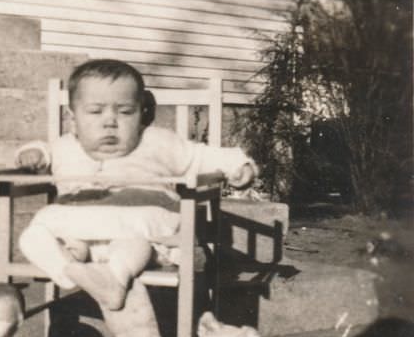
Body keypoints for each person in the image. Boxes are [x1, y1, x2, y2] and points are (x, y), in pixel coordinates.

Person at [14, 59, 257, 311]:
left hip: (135, 233)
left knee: (136, 247)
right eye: (96, 111)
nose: (110, 121)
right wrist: (31, 154)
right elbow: (41, 154)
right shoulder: (64, 146)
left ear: (141, 114)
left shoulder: (157, 142)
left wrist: (238, 166)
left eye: (125, 111)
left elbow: (201, 156)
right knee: (32, 237)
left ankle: (114, 280)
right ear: (73, 119)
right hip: (76, 238)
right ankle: (69, 271)